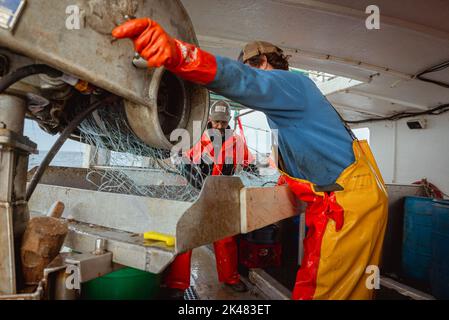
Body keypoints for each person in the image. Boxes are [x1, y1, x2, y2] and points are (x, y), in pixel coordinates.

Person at [112, 19, 388, 300]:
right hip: (349, 198)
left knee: (321, 291)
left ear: (265, 62)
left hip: (342, 204)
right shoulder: (285, 109)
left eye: (252, 67)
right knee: (344, 289)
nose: (219, 127)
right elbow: (299, 158)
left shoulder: (293, 84)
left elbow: (245, 81)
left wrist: (180, 55)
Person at [163, 100, 256, 299]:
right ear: (210, 120)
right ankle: (177, 283)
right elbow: (181, 160)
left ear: (229, 120)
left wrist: (255, 172)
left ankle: (230, 278)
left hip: (222, 195)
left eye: (223, 123)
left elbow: (248, 162)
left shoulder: (237, 141)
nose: (220, 127)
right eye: (216, 122)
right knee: (187, 236)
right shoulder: (195, 138)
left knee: (225, 238)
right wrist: (184, 166)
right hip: (195, 194)